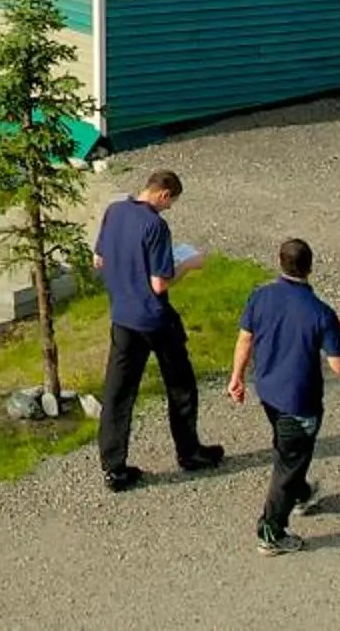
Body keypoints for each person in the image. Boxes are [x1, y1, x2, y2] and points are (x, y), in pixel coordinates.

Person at [90, 169, 222, 491]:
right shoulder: (155, 225)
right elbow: (160, 283)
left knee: (118, 393)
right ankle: (189, 452)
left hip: (122, 316)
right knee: (181, 386)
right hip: (154, 319)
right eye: (171, 202)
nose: (170, 208)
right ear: (163, 194)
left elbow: (99, 260)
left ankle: (114, 468)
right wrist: (188, 265)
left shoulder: (115, 210)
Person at [228, 237, 340, 556]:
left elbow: (245, 340)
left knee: (288, 451)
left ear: (280, 262)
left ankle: (301, 493)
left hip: (268, 392)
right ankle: (271, 531)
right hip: (300, 401)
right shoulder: (321, 313)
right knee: (288, 463)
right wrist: (339, 332)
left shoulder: (260, 297)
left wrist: (236, 378)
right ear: (310, 267)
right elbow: (339, 366)